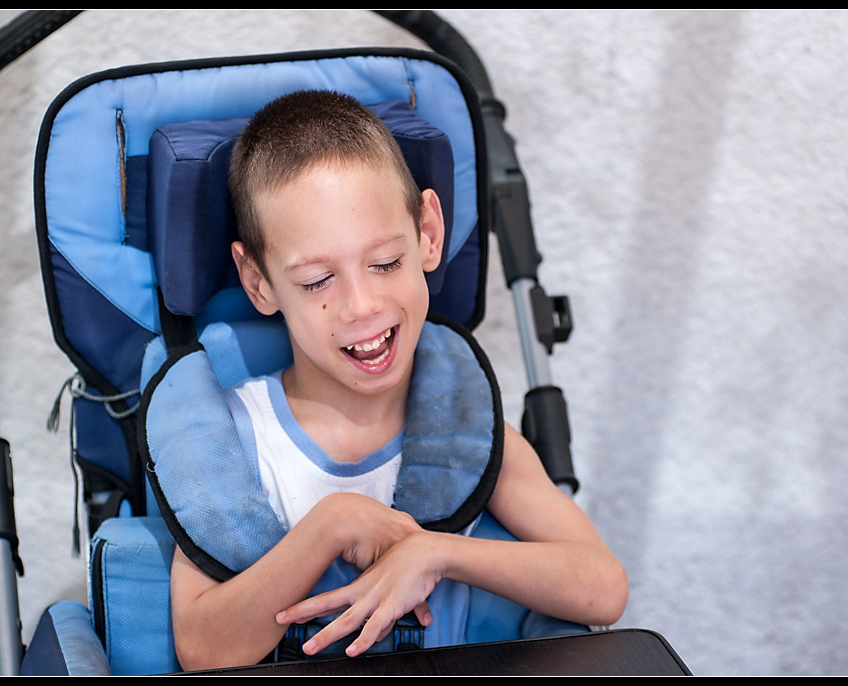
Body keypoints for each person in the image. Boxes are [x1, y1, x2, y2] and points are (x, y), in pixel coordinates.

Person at [167, 90, 628, 670]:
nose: (362, 305)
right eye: (317, 281)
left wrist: (435, 554)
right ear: (258, 281)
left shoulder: (467, 433)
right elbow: (201, 649)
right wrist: (331, 525)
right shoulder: (232, 444)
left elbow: (603, 587)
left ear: (428, 233)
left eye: (385, 263)